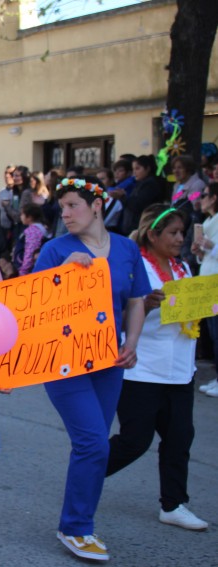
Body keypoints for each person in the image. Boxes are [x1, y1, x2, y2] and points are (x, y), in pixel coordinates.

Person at [33, 176, 149, 562]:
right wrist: (63, 272)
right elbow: (35, 308)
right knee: (93, 443)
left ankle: (80, 520)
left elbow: (136, 300)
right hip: (63, 361)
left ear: (96, 205)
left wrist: (131, 343)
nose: (64, 214)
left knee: (94, 446)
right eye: (61, 207)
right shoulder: (54, 250)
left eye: (72, 206)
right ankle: (76, 527)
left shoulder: (128, 248)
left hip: (108, 361)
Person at [106, 204, 208, 531]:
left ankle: (173, 504)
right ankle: (87, 473)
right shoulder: (137, 268)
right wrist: (145, 306)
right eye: (173, 233)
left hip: (180, 370)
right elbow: (113, 314)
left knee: (180, 438)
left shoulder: (183, 269)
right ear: (153, 234)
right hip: (142, 369)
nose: (181, 239)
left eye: (182, 233)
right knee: (135, 440)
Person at [193, 182, 218, 396]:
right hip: (208, 281)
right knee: (212, 332)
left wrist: (211, 246)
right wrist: (199, 251)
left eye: (206, 195)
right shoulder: (208, 220)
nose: (201, 199)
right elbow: (207, 257)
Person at [120, 155, 166, 236]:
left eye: (137, 169)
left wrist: (122, 196)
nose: (134, 172)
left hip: (143, 226)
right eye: (133, 169)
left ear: (147, 168)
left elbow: (138, 204)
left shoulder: (150, 185)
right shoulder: (140, 183)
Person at [13, 202, 47, 276]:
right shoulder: (37, 229)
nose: (21, 216)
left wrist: (23, 271)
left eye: (22, 214)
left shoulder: (33, 231)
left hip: (29, 272)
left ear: (30, 217)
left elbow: (30, 251)